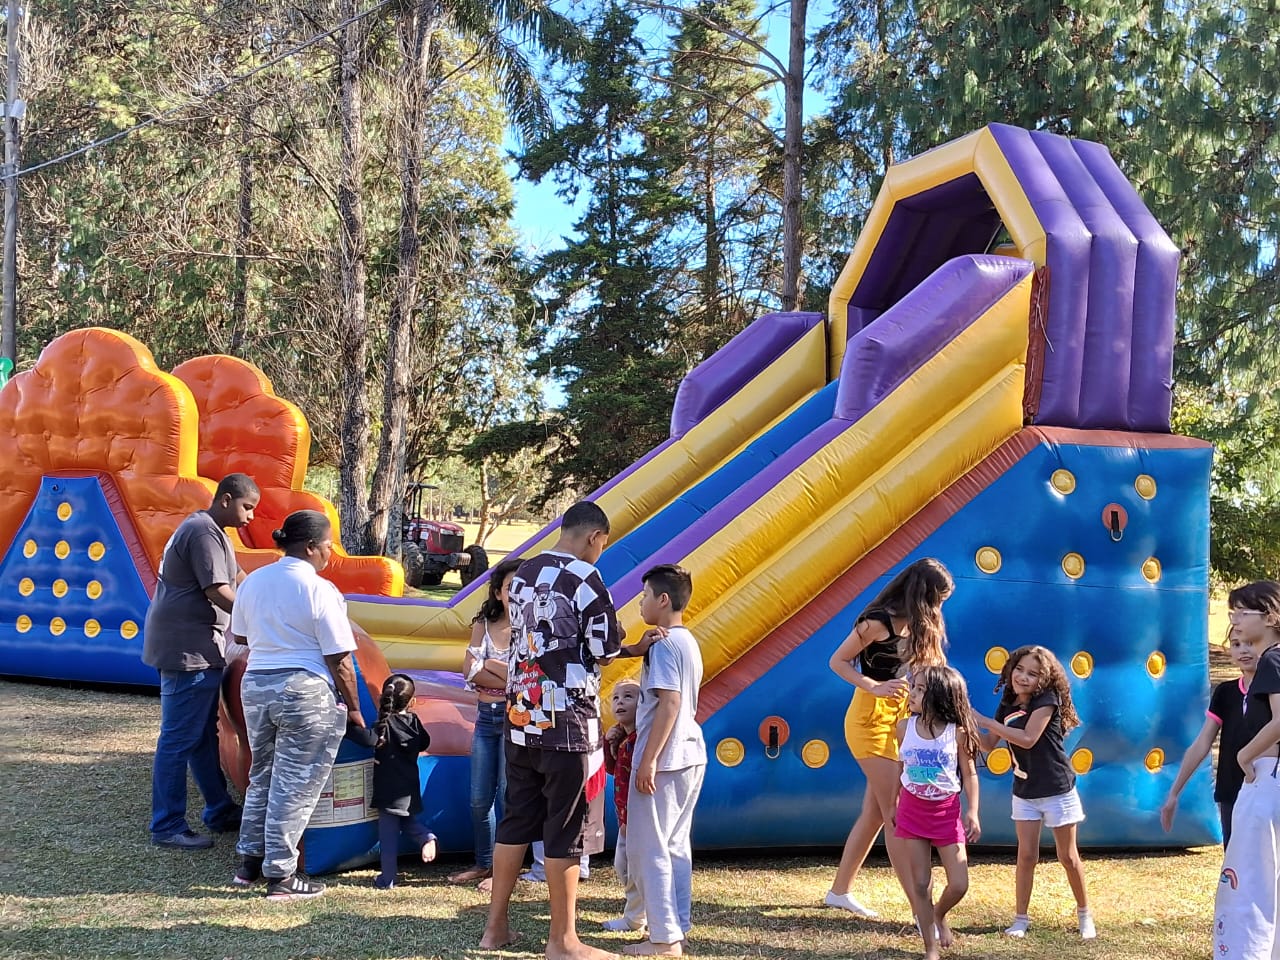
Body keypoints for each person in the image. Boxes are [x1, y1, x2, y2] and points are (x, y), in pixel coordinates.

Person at [479, 500, 657, 960]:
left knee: (517, 818)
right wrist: (630, 646)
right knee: (565, 826)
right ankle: (563, 941)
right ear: (597, 537)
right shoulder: (586, 578)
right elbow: (601, 646)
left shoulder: (520, 576)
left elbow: (531, 641)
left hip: (521, 715)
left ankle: (495, 928)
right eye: (603, 544)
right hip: (567, 722)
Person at [228, 510, 365, 902]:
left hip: (256, 686)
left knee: (263, 775)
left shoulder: (254, 581)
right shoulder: (320, 589)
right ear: (310, 547)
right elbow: (340, 658)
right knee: (295, 785)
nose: (329, 554)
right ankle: (282, 876)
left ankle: (249, 864)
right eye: (327, 546)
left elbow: (240, 633)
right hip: (304, 691)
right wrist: (353, 709)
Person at [824, 557, 954, 917]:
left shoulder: (921, 625)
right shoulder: (877, 622)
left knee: (876, 813)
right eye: (938, 598)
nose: (940, 607)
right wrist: (873, 685)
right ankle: (920, 910)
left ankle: (839, 891)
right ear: (922, 594)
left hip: (899, 720)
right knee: (896, 813)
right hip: (868, 720)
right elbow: (837, 661)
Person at [142, 473, 260, 849]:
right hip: (187, 648)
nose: (251, 517)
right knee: (178, 738)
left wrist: (270, 594)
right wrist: (261, 622)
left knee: (200, 737)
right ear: (225, 499)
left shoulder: (216, 533)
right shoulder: (203, 532)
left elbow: (242, 579)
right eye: (247, 507)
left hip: (198, 645)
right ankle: (167, 825)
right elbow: (220, 591)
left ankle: (219, 810)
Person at [973, 645, 1095, 940]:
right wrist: (964, 722)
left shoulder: (1047, 700)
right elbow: (989, 744)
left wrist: (985, 720)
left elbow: (1028, 739)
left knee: (1068, 857)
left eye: (1033, 673)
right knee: (1026, 856)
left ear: (1045, 679)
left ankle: (1085, 915)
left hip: (1056, 788)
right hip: (1024, 789)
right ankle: (1020, 919)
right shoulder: (1007, 704)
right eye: (1020, 670)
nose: (1023, 677)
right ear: (1010, 669)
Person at [623, 564, 706, 958]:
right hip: (689, 754)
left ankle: (664, 939)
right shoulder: (687, 642)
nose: (639, 603)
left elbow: (669, 702)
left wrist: (649, 759)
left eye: (644, 596)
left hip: (668, 757)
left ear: (663, 599)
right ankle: (676, 927)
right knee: (674, 845)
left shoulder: (666, 645)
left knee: (650, 846)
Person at [893, 665, 981, 960]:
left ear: (939, 697)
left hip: (945, 813)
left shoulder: (957, 734)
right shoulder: (904, 727)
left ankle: (939, 914)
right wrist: (894, 799)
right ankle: (930, 947)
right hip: (912, 810)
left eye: (919, 689)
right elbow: (900, 767)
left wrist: (973, 812)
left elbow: (969, 774)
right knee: (920, 883)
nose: (912, 693)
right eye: (913, 687)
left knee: (959, 884)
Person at [449, 557, 523, 892]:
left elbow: (524, 682)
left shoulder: (530, 629)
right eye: (510, 587)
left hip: (514, 719)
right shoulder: (485, 623)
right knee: (479, 797)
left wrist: (490, 666)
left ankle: (503, 870)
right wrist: (501, 672)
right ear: (497, 592)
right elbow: (469, 670)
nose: (517, 594)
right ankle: (483, 863)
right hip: (486, 718)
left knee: (508, 795)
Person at [1215, 580, 1280, 960]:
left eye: (1241, 612)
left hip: (1266, 777)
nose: (1235, 622)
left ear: (1269, 615)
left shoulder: (1272, 658)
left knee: (1249, 882)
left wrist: (1243, 755)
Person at [1160, 628, 1259, 846]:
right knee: (1234, 870)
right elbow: (1202, 743)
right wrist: (1174, 793)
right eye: (1236, 644)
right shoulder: (1225, 692)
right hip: (1231, 792)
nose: (1244, 650)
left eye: (1251, 642)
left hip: (1267, 790)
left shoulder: (1273, 693)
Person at [347, 673, 437, 889]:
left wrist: (346, 727)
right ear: (412, 702)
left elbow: (368, 739)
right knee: (406, 821)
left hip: (388, 789)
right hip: (409, 787)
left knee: (387, 836)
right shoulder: (414, 721)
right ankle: (426, 836)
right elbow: (425, 742)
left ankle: (387, 879)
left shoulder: (385, 725)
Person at [601, 679, 645, 935]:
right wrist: (610, 744)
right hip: (625, 818)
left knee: (632, 867)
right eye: (616, 697)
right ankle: (637, 913)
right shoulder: (624, 738)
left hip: (635, 818)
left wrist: (629, 820)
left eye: (628, 697)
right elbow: (611, 769)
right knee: (623, 866)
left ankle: (635, 918)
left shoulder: (640, 739)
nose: (620, 702)